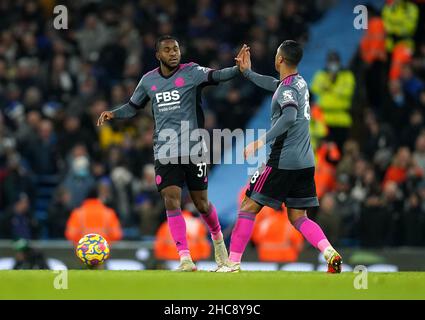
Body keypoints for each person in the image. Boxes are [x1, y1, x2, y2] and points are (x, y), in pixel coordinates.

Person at [97, 35, 245, 271]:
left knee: (202, 204)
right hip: (165, 149)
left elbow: (216, 75)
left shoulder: (192, 72)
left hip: (194, 147)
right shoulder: (148, 81)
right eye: (167, 50)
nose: (174, 53)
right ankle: (185, 257)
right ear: (158, 55)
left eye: (176, 49)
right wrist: (113, 113)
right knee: (171, 199)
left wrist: (238, 69)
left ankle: (218, 243)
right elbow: (132, 107)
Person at [216, 40, 343, 273]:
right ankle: (329, 252)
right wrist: (248, 73)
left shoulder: (287, 90)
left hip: (283, 160)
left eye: (276, 54)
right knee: (298, 217)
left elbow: (289, 116)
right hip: (305, 163)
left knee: (247, 206)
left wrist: (260, 141)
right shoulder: (299, 83)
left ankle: (232, 263)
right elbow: (274, 85)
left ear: (280, 59)